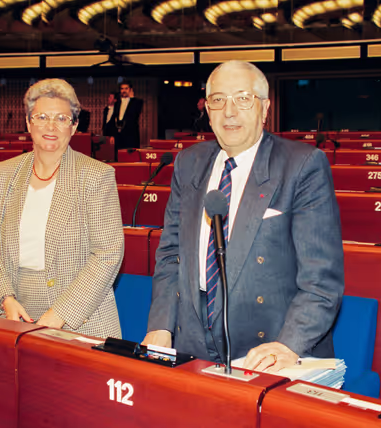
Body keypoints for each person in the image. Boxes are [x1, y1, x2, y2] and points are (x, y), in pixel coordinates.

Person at [142, 61, 344, 372]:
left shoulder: (302, 165)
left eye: (243, 98)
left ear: (265, 109)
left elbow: (321, 281)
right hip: (192, 342)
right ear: (207, 110)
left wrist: (288, 344)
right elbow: (171, 256)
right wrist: (160, 326)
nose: (229, 111)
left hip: (269, 348)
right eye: (219, 100)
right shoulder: (188, 163)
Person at [0, 78, 124, 339]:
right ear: (28, 122)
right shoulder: (4, 173)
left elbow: (108, 253)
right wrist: (5, 298)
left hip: (78, 316)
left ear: (74, 126)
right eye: (42, 116)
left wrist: (60, 314)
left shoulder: (96, 176)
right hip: (10, 309)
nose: (51, 126)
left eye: (62, 118)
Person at [113, 80, 143, 151]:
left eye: (126, 88)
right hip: (119, 135)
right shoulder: (117, 103)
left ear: (130, 89)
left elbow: (135, 115)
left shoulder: (137, 102)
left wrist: (132, 99)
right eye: (122, 89)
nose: (124, 91)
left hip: (131, 134)